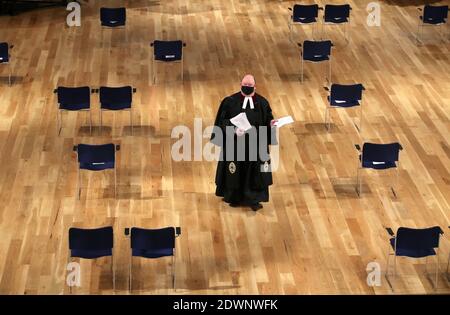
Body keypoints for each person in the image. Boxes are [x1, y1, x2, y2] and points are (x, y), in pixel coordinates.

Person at [211, 74, 277, 211]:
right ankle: (234, 197)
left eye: (249, 86)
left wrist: (271, 124)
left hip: (255, 145)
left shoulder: (262, 103)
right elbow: (222, 122)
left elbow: (267, 121)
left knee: (255, 173)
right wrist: (234, 130)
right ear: (240, 84)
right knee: (235, 171)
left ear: (255, 87)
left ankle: (254, 199)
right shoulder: (229, 102)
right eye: (245, 85)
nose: (247, 87)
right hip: (235, 144)